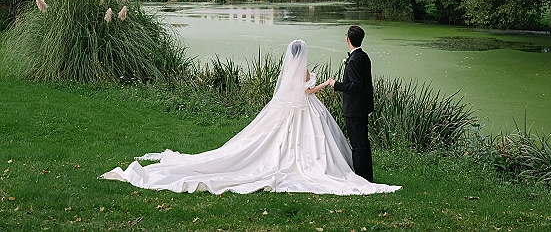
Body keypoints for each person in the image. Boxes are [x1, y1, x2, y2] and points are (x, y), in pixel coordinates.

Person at [100, 39, 400, 195]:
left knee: (271, 144)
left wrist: (317, 85)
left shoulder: (289, 75)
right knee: (315, 146)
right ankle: (352, 174)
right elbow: (307, 92)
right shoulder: (305, 72)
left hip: (292, 110)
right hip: (307, 111)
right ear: (302, 56)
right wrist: (323, 84)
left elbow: (291, 93)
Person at [326, 26, 375, 182]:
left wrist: (336, 85)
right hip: (363, 107)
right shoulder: (364, 56)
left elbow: (356, 86)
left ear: (348, 39)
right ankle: (367, 175)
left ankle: (361, 177)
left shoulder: (354, 61)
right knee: (363, 143)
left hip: (354, 109)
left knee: (358, 144)